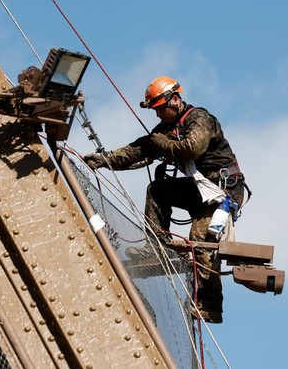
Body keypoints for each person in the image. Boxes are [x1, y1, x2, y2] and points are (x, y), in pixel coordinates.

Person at [83, 76, 246, 324]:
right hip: (200, 189)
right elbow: (138, 151)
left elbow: (192, 148)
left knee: (200, 241)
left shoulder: (199, 119)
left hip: (222, 191)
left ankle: (211, 306)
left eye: (160, 108)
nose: (158, 115)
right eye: (156, 110)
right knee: (158, 190)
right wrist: (105, 160)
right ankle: (157, 246)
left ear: (175, 99)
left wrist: (161, 142)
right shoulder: (166, 131)